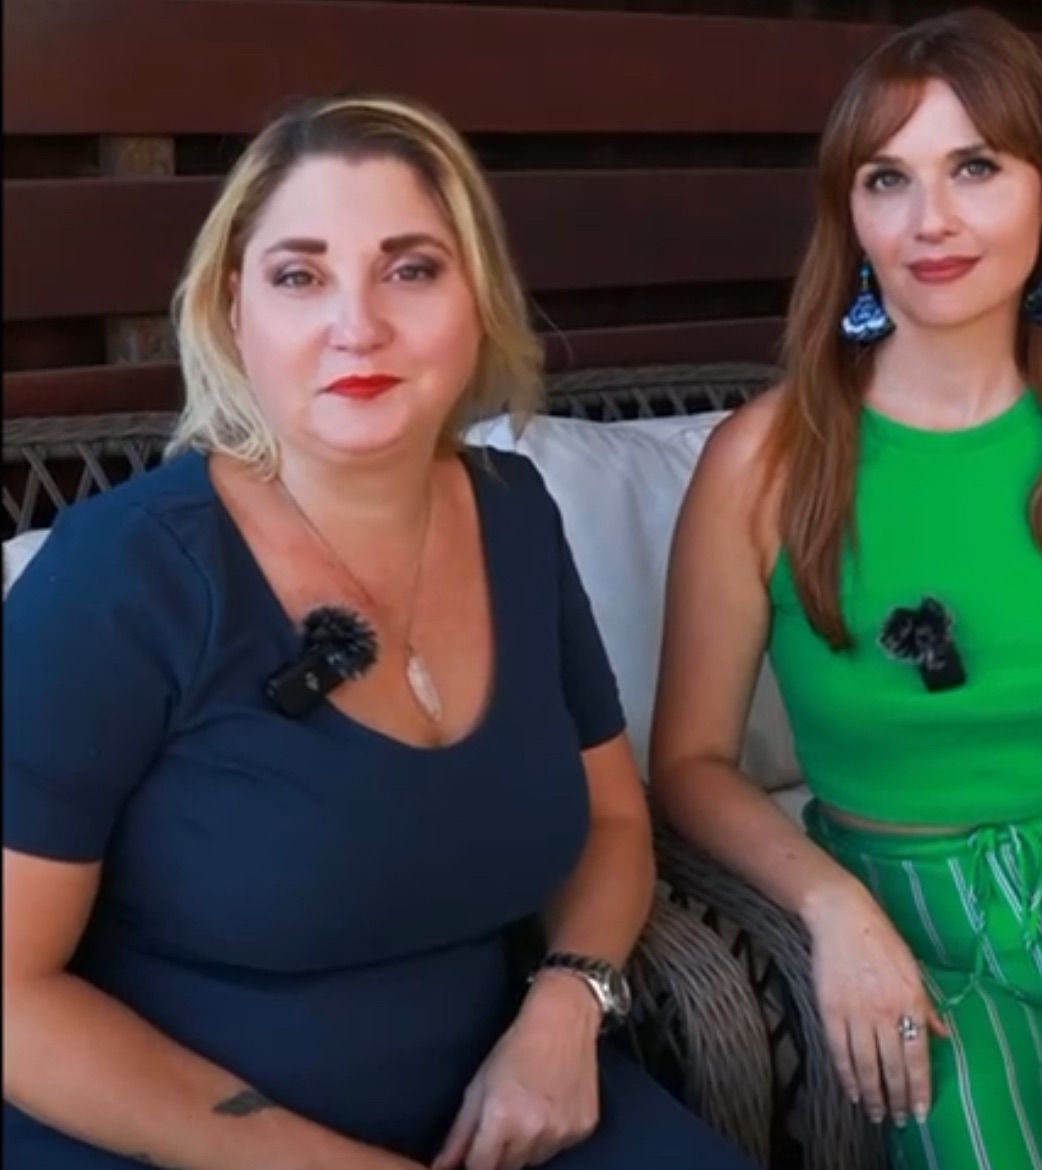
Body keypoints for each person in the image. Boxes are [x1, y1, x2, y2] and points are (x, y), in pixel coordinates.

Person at [2, 95, 760, 1170]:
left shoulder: (516, 517)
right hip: (172, 1138)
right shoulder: (124, 573)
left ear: (478, 300)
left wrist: (569, 1001)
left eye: (411, 269)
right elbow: (11, 995)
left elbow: (609, 818)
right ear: (233, 310)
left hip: (495, 1112)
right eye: (299, 276)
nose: (357, 325)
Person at [651, 9, 1042, 1170]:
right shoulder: (761, 465)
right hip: (911, 934)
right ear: (851, 212)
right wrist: (833, 906)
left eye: (975, 168)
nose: (931, 219)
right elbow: (688, 764)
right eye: (888, 178)